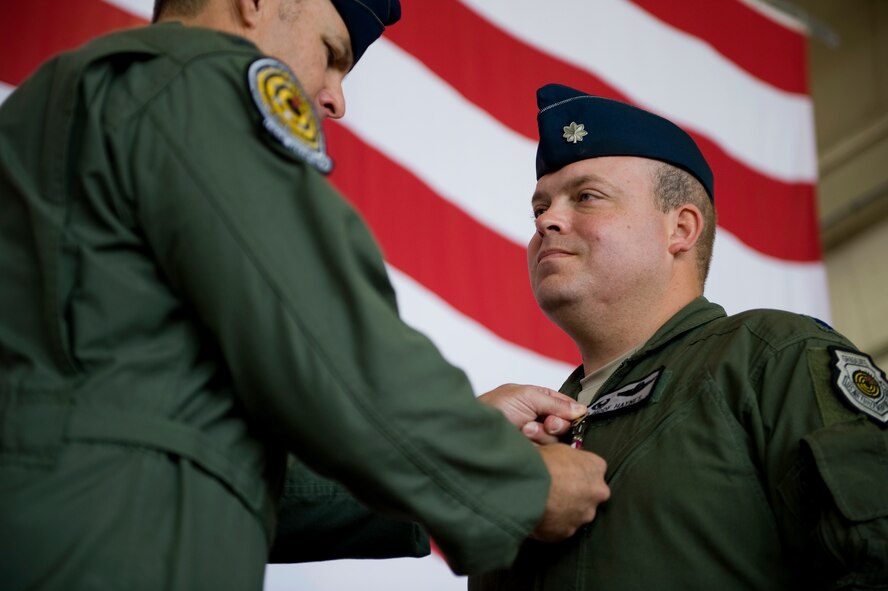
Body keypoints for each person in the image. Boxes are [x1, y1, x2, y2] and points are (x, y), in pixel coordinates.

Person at [0, 3, 612, 589]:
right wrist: (520, 484)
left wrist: (454, 452)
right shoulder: (196, 78)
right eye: (332, 53)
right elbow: (325, 343)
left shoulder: (61, 107)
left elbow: (207, 458)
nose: (335, 98)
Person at [469, 84, 888, 590]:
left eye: (586, 197)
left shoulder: (775, 356)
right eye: (540, 208)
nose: (546, 220)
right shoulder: (522, 439)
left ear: (681, 229)